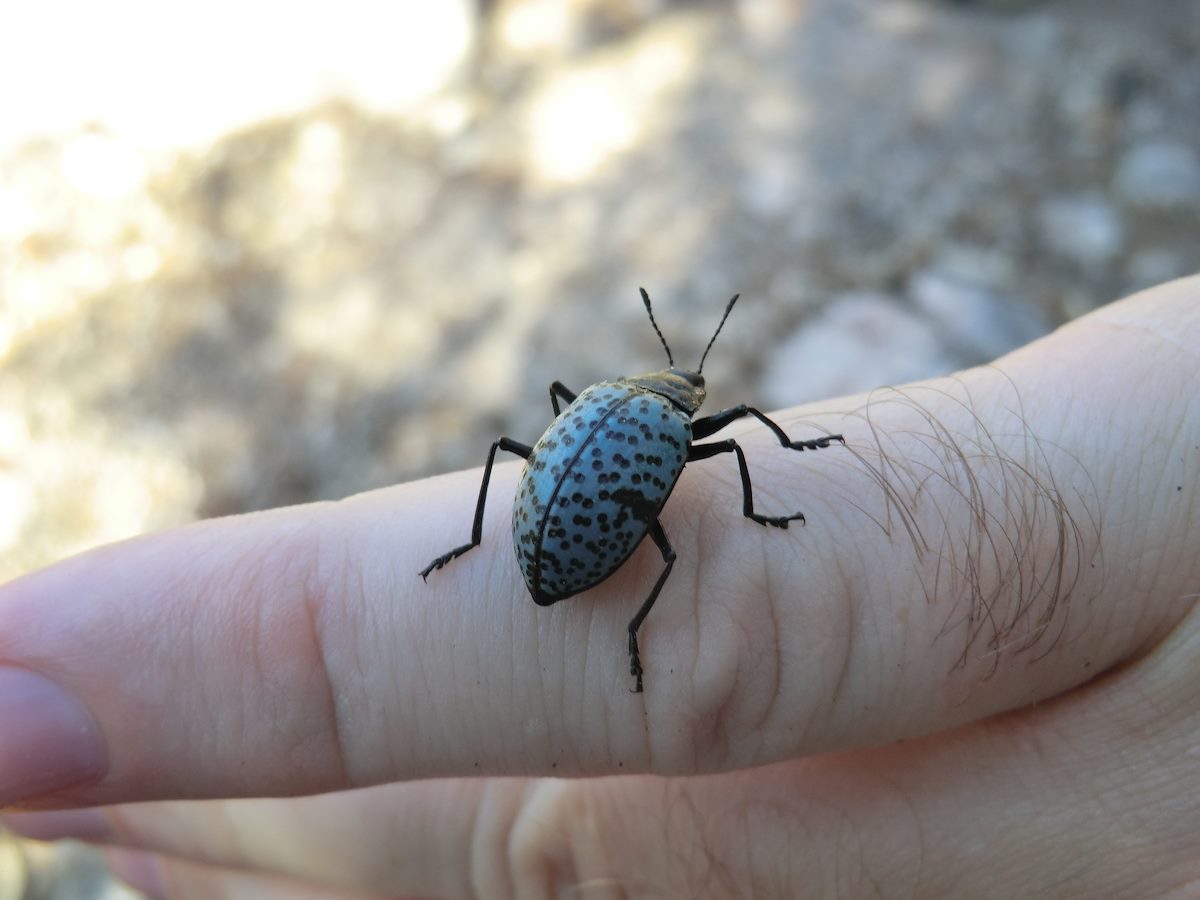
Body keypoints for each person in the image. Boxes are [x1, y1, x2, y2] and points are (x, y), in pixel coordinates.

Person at [1, 276, 1197, 899]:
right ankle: (570, 592)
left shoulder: (623, 415)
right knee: (674, 546)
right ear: (679, 402)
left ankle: (495, 551)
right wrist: (773, 499)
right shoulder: (688, 433)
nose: (692, 397)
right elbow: (727, 457)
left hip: (553, 527)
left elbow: (636, 451)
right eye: (687, 385)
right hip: (579, 545)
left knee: (582, 493)